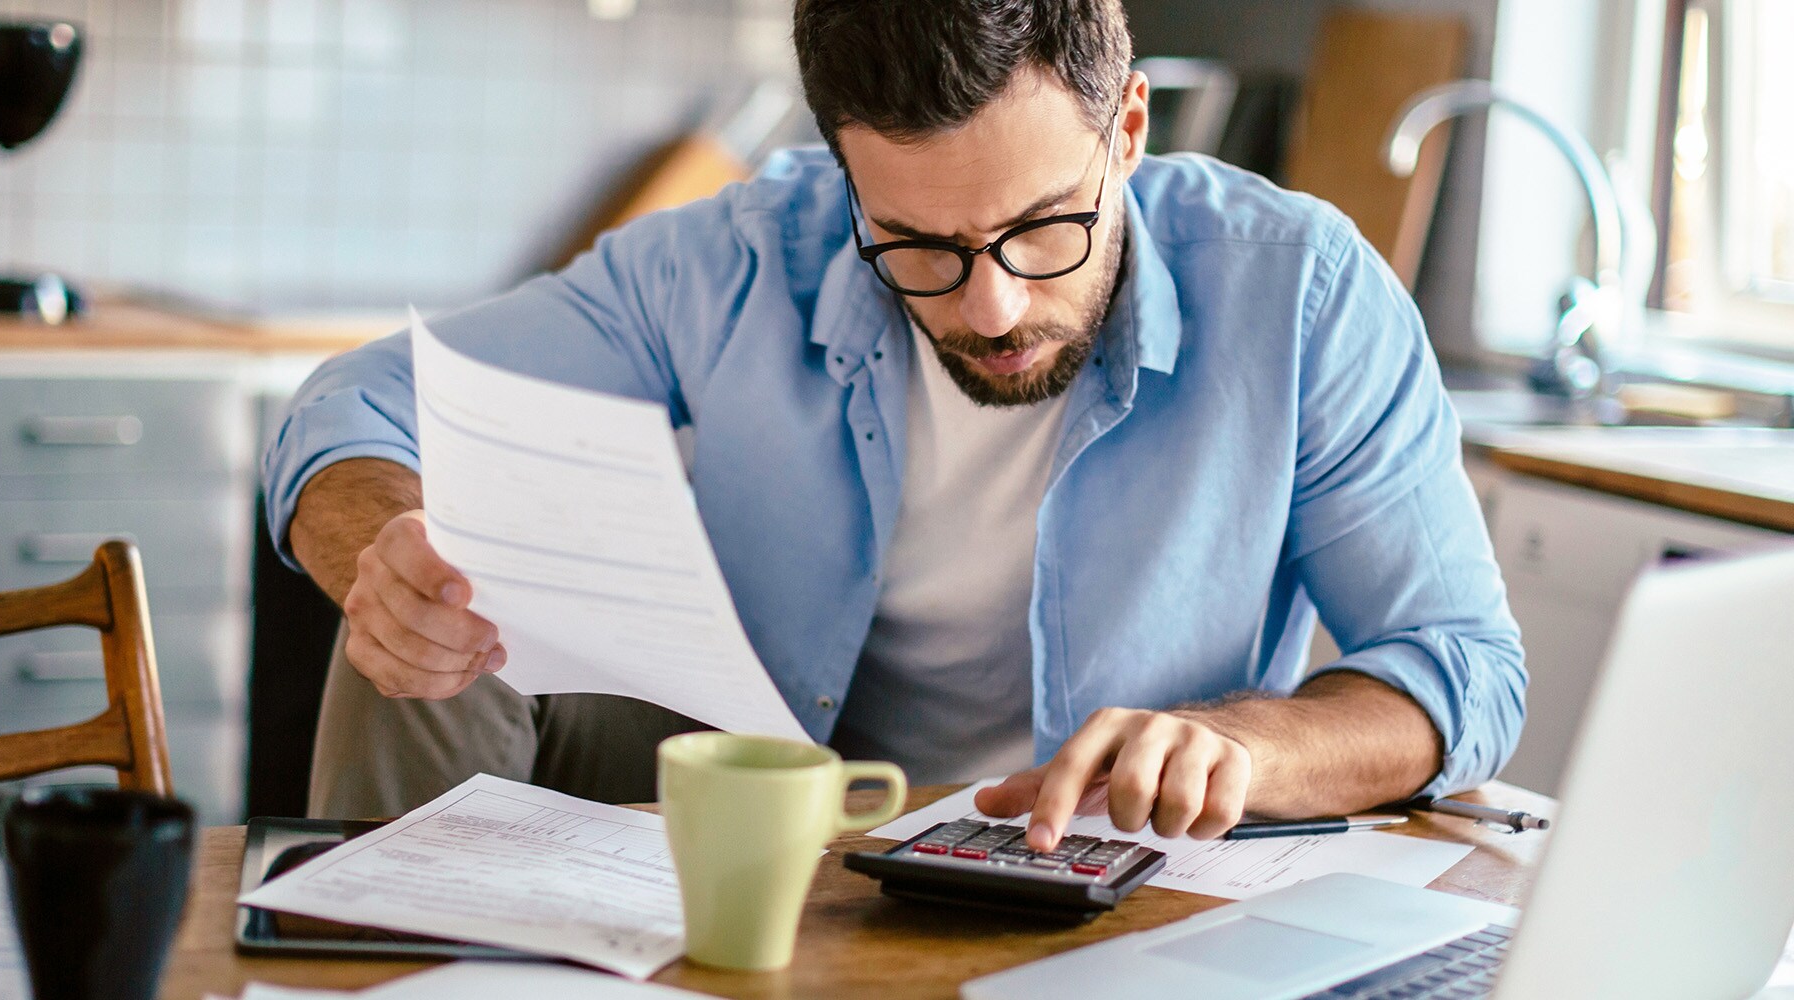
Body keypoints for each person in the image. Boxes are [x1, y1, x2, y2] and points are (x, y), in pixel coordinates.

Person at [263, 0, 1525, 853]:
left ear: (1129, 129)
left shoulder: (1300, 289)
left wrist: (1238, 747)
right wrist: (385, 549)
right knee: (419, 591)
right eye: (916, 244)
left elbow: (1461, 667)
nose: (991, 304)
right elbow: (354, 401)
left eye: (1043, 227)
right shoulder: (743, 255)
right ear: (845, 176)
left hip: (1081, 859)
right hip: (757, 790)